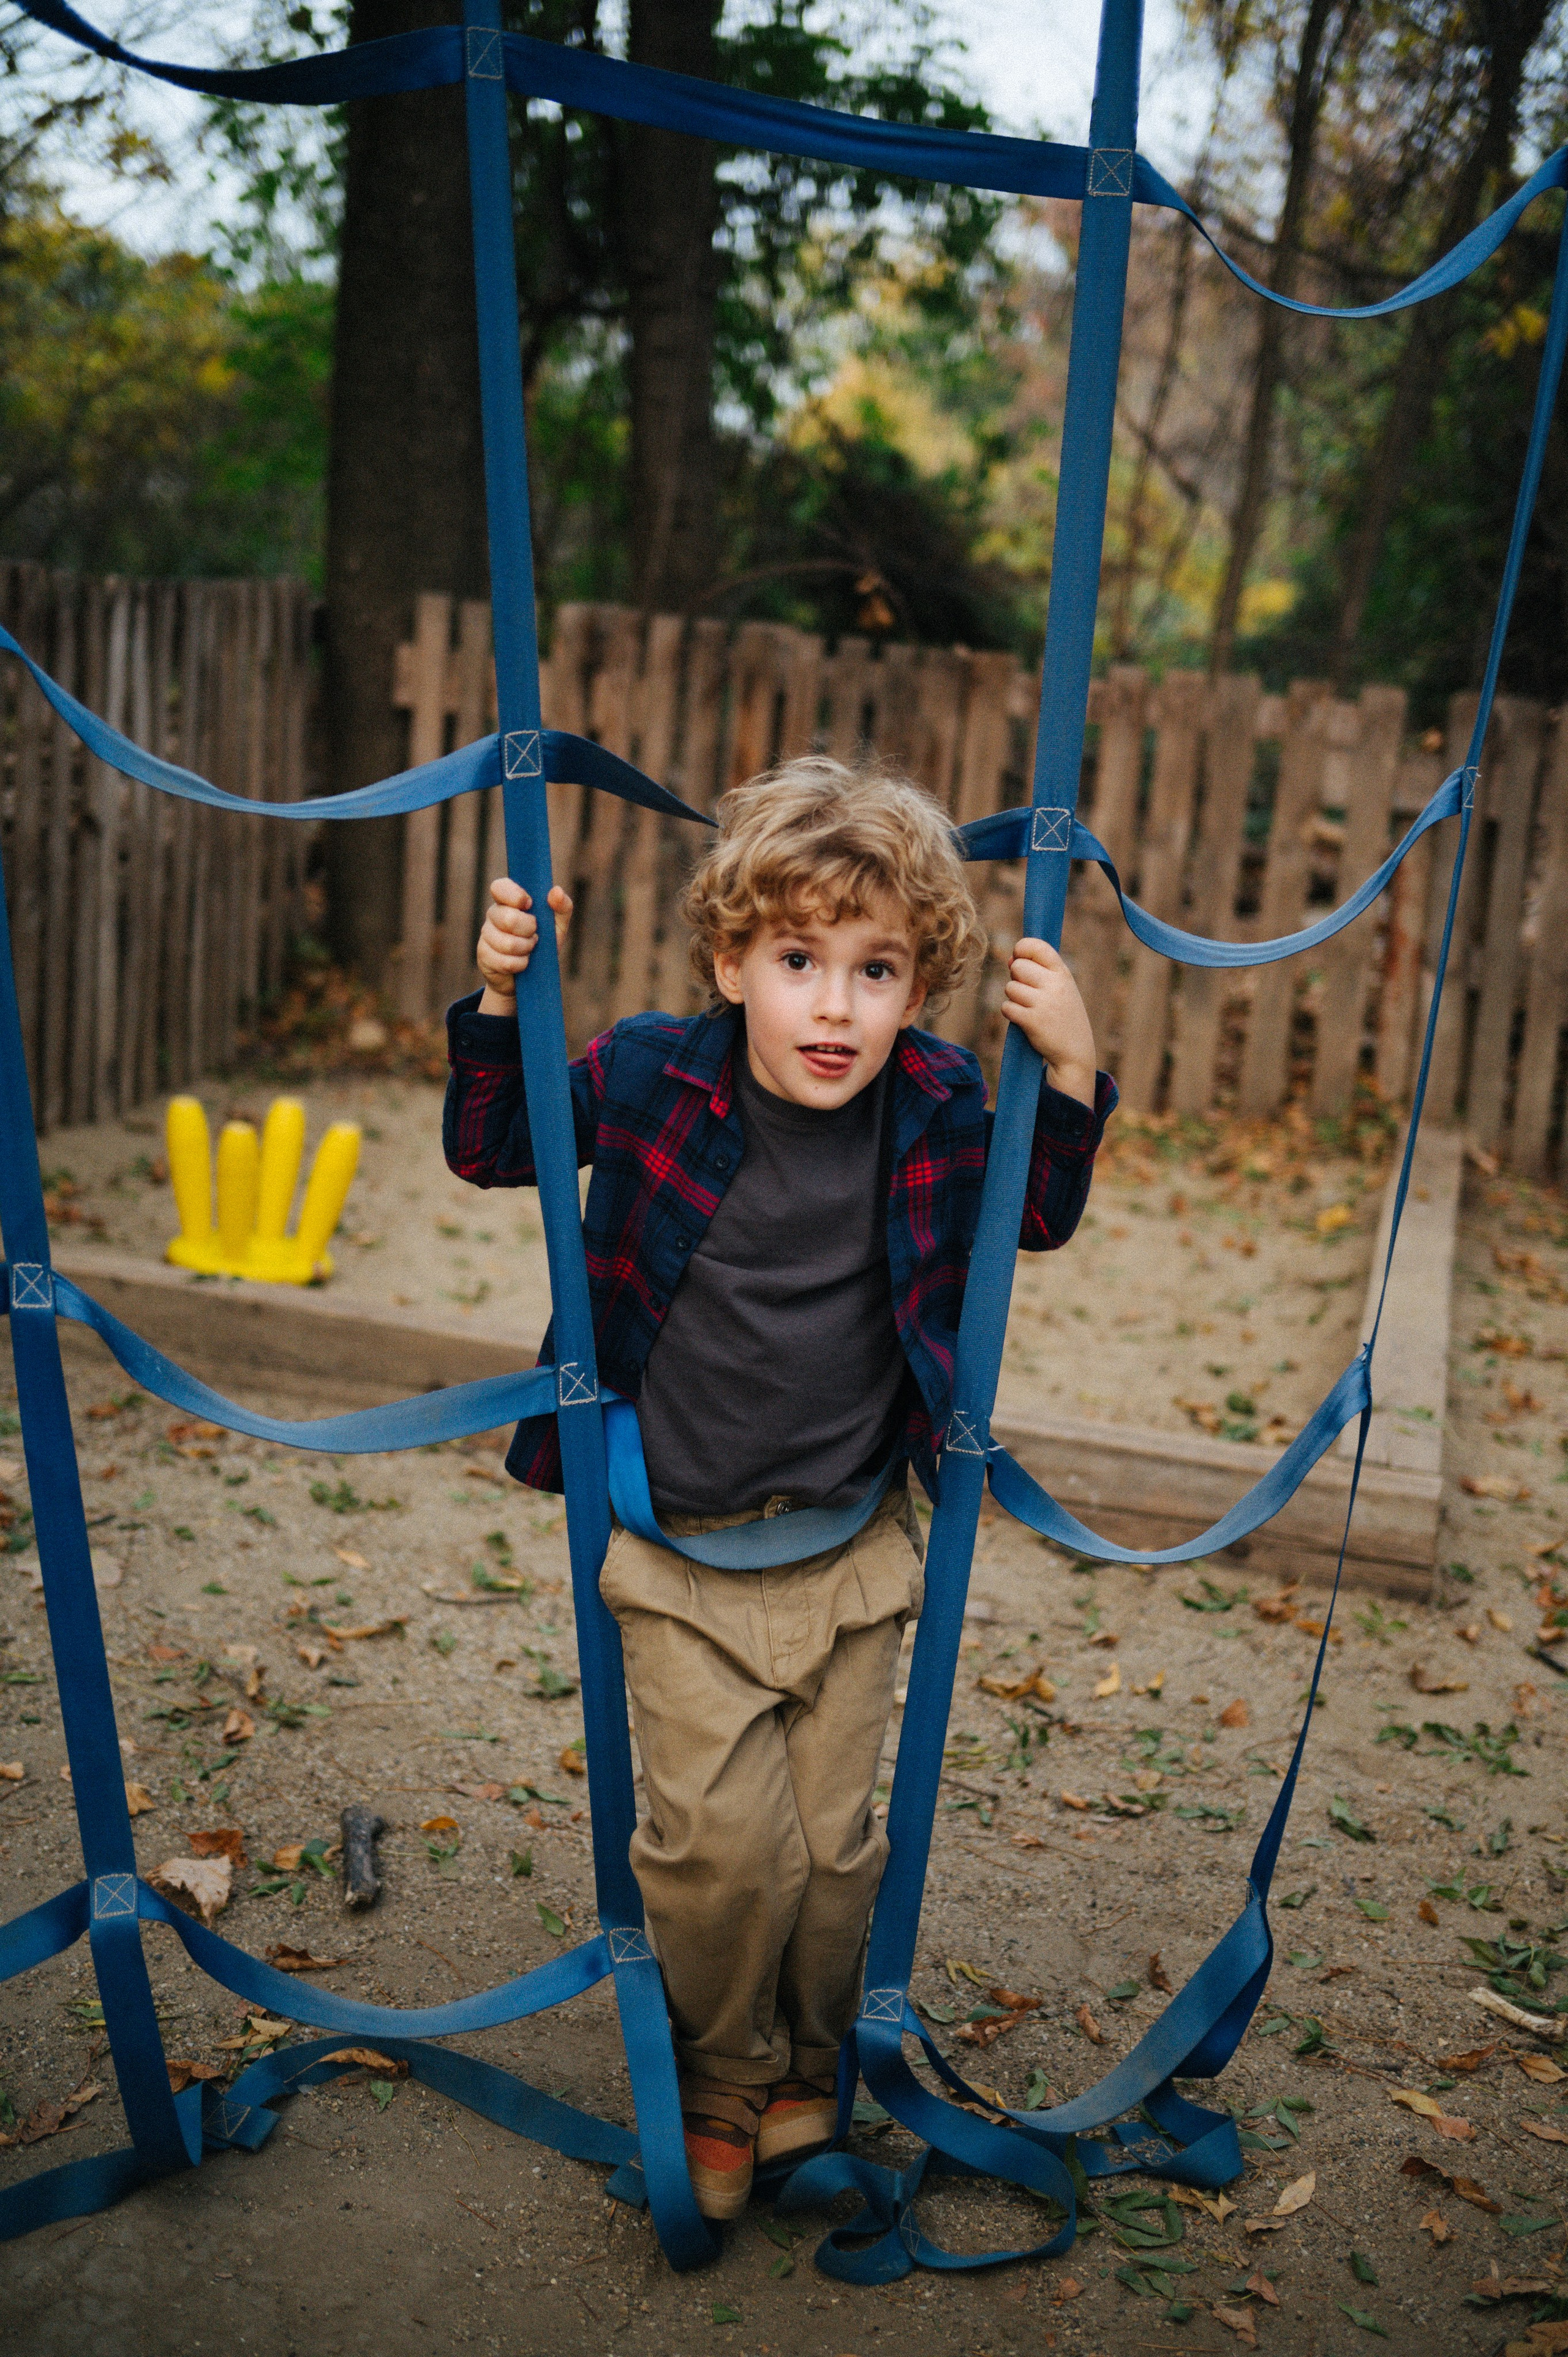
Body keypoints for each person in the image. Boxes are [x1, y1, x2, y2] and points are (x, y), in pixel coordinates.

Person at [444, 757, 1115, 2219]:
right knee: (708, 1852)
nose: (833, 1006)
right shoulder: (642, 1076)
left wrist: (1065, 1065)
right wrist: (502, 996)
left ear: (920, 984)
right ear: (730, 959)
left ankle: (811, 2076)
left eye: (875, 971)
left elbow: (1035, 1214)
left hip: (855, 1549)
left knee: (834, 1854)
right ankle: (724, 2078)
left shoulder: (934, 1104)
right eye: (797, 960)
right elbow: (490, 1143)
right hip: (678, 1550)